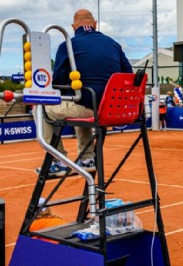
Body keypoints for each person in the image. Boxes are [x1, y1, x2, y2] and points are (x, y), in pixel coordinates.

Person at [38, 9, 132, 174]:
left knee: (39, 109)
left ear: (74, 27)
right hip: (116, 110)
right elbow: (129, 76)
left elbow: (58, 81)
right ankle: (87, 159)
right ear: (94, 24)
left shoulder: (68, 45)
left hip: (91, 107)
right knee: (81, 102)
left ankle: (58, 161)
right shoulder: (113, 44)